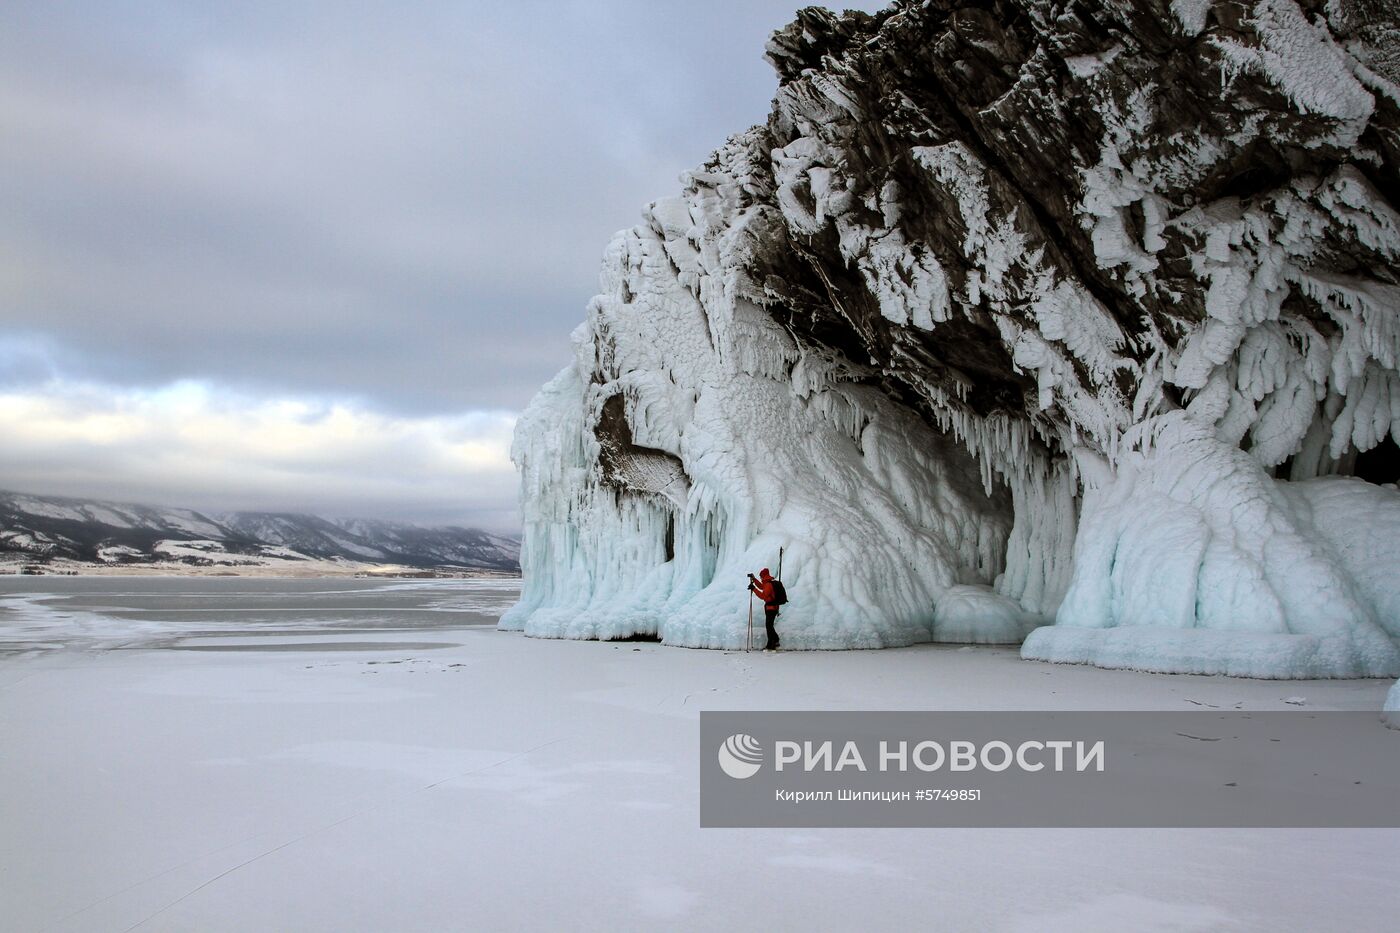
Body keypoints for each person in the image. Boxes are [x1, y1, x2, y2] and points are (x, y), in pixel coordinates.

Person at [747, 567, 781, 650]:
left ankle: (773, 643)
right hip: (771, 608)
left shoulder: (768, 585)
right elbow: (761, 586)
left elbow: (763, 596)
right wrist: (754, 580)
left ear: (763, 576)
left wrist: (753, 589)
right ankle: (774, 642)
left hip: (771, 608)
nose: (761, 578)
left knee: (769, 626)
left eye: (761, 576)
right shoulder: (767, 583)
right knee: (769, 626)